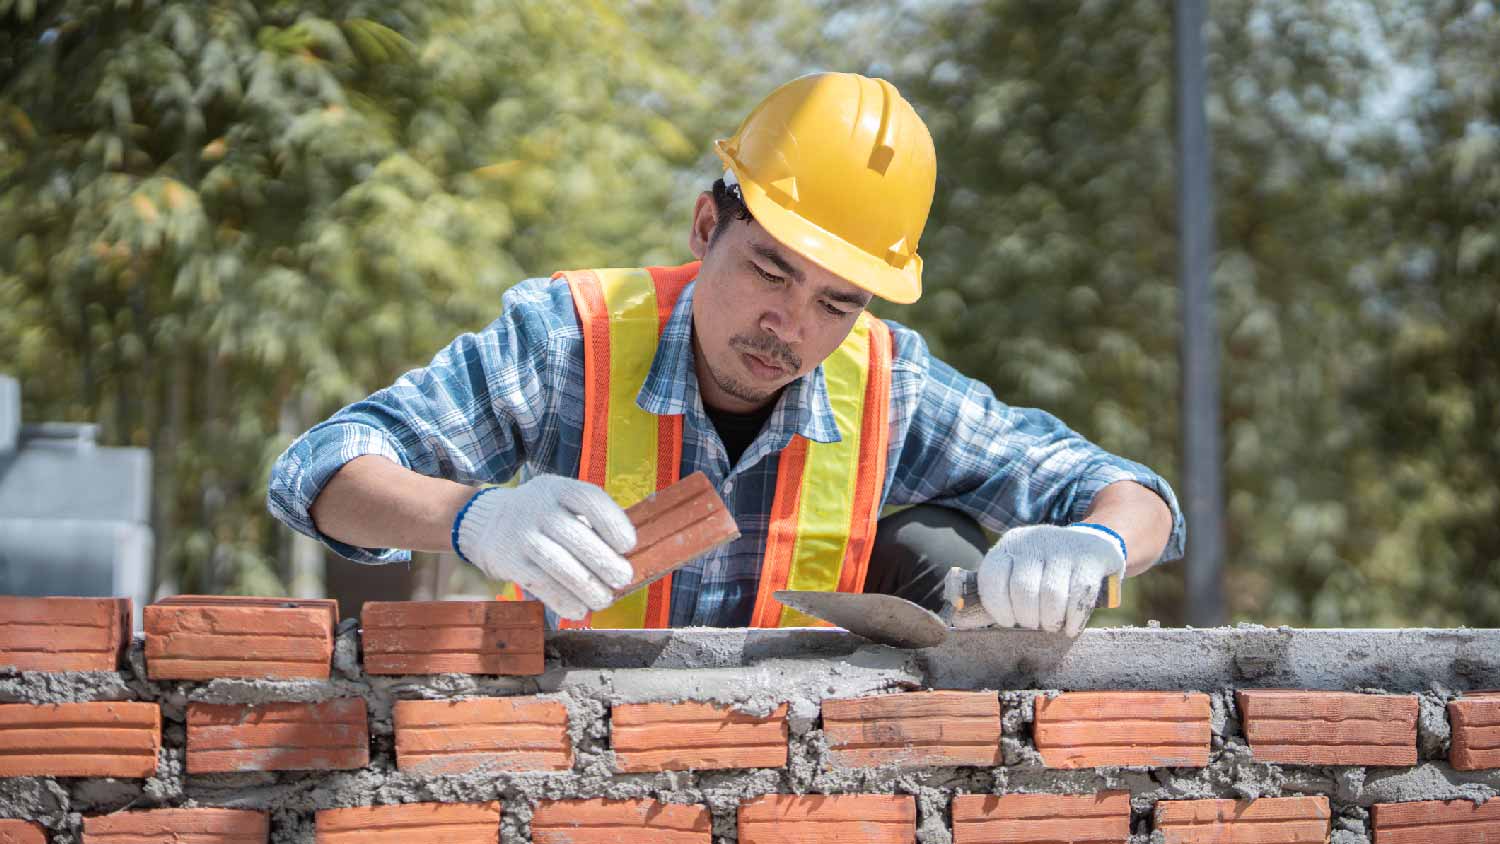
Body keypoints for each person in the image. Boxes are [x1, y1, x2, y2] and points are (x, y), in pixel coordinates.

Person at [267, 72, 1184, 636]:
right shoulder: (568, 338)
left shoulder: (889, 381)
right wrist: (480, 522)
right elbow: (319, 473)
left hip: (801, 781)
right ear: (708, 226)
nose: (790, 325)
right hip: (571, 758)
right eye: (770, 271)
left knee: (934, 549)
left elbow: (1133, 495)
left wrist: (1095, 541)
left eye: (837, 301)